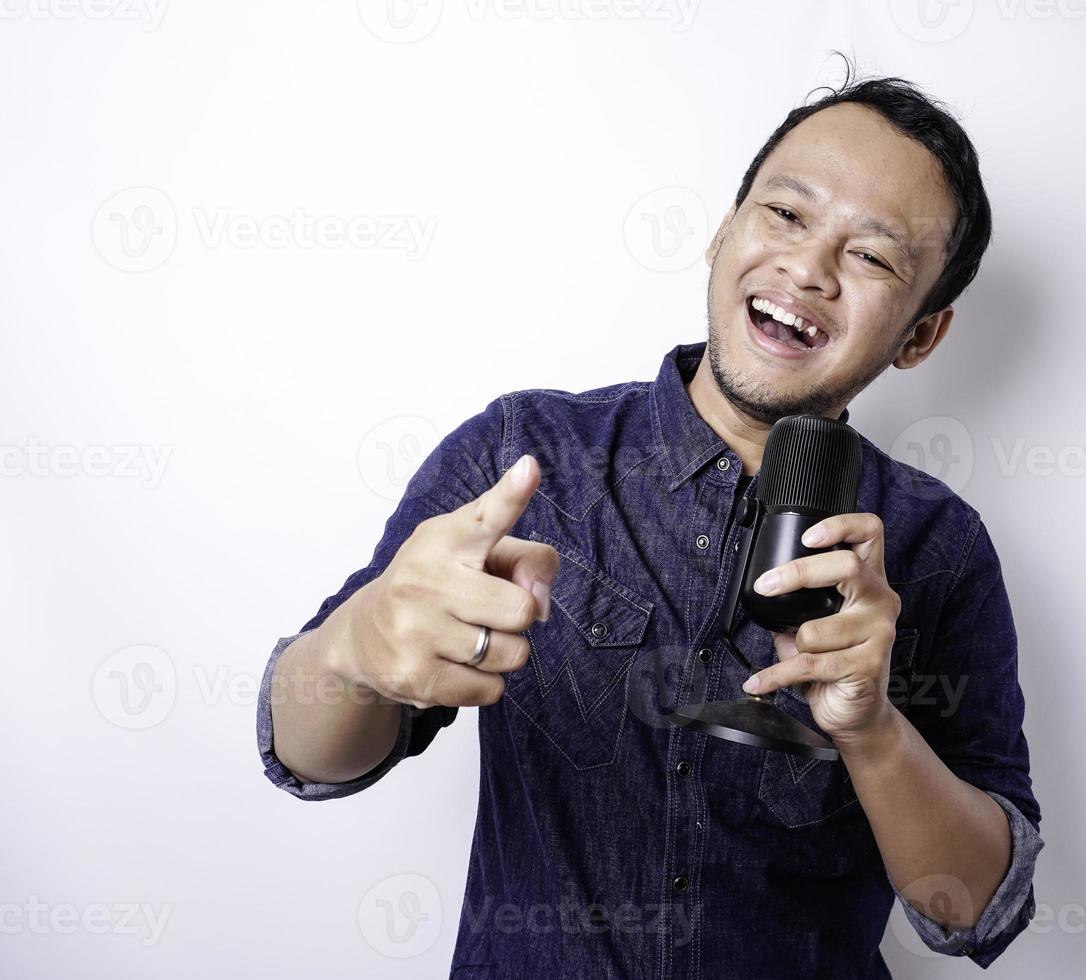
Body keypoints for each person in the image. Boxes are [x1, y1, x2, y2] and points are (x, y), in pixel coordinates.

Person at [257, 61, 1043, 977]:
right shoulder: (523, 453)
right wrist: (356, 646)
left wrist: (872, 729)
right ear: (723, 233)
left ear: (920, 334)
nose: (808, 268)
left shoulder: (938, 548)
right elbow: (308, 757)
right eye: (785, 214)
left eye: (870, 255)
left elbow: (978, 909)